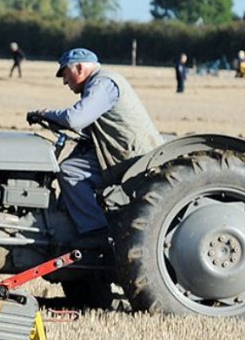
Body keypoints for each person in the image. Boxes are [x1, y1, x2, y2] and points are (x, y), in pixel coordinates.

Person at [25, 48, 163, 243]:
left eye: (65, 74)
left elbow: (75, 119)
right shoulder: (100, 84)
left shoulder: (103, 83)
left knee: (70, 171)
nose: (65, 82)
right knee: (74, 162)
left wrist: (45, 113)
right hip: (121, 154)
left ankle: (95, 234)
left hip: (133, 159)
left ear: (80, 68)